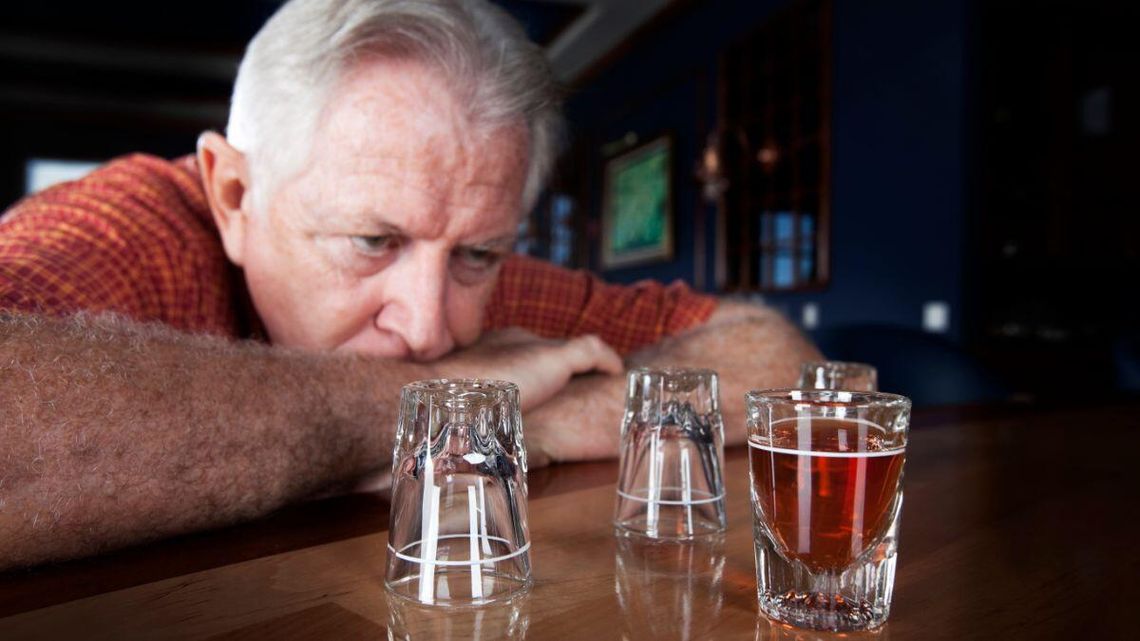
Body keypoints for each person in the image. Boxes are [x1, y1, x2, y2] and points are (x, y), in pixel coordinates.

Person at [0, 0, 818, 570]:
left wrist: (541, 423)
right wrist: (436, 399)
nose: (429, 326)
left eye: (479, 254)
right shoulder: (130, 230)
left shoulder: (469, 267)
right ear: (235, 198)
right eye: (371, 240)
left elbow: (770, 354)